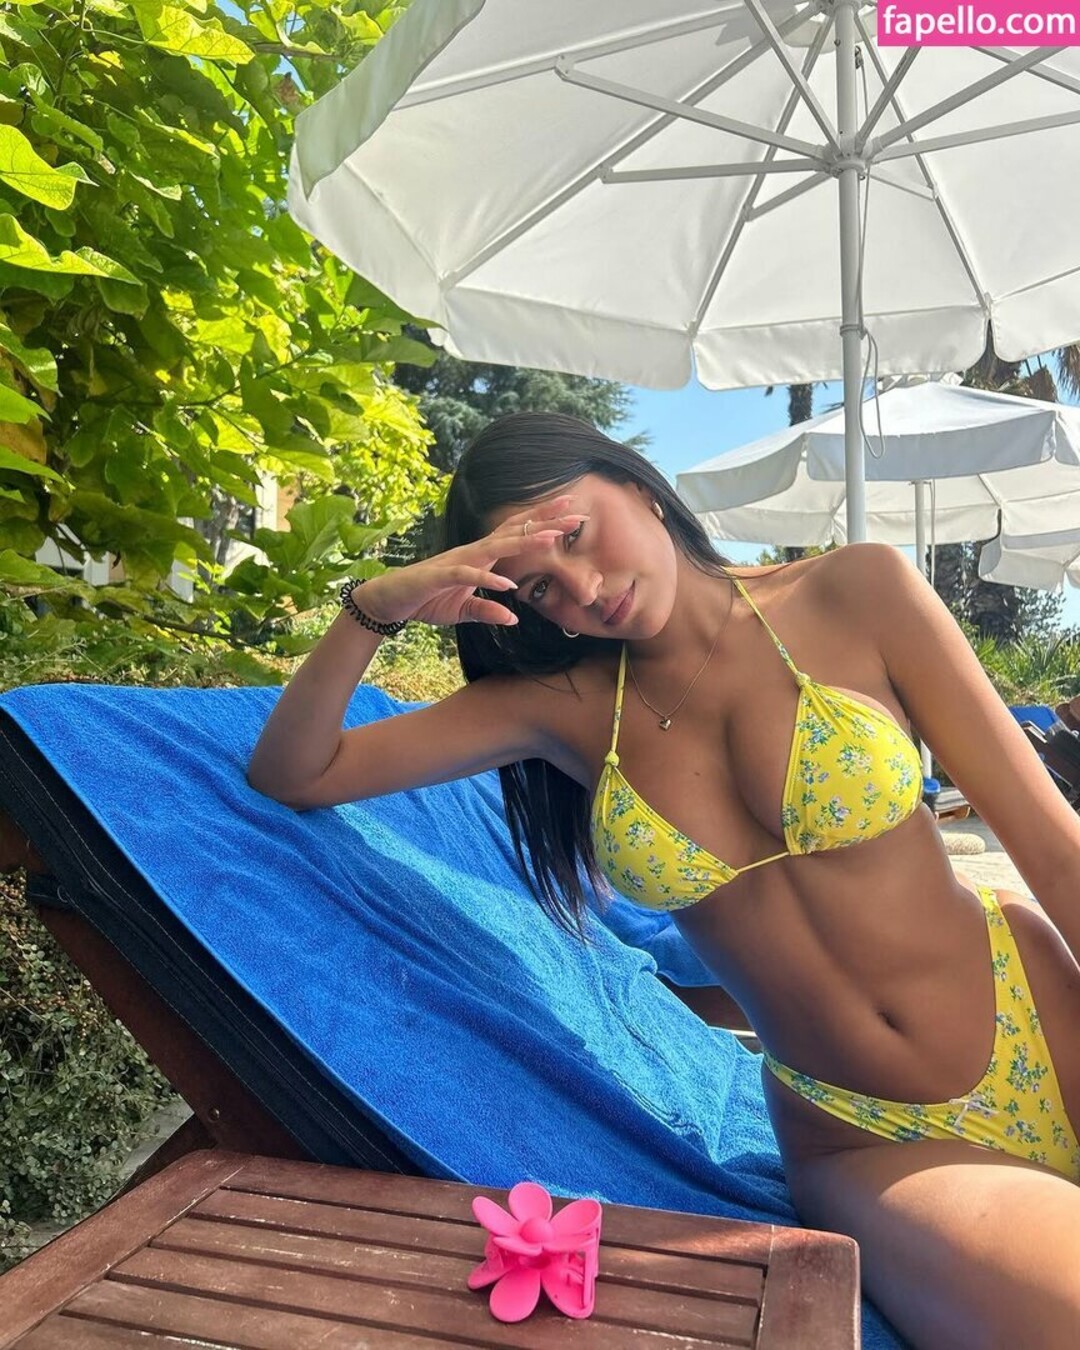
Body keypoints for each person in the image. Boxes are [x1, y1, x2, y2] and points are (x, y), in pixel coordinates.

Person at [249, 412, 1080, 1350]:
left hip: (1041, 1012)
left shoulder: (856, 591)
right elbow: (296, 772)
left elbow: (1055, 852)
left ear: (638, 486)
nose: (583, 589)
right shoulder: (557, 710)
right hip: (866, 1134)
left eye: (575, 535)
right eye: (539, 587)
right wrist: (374, 608)